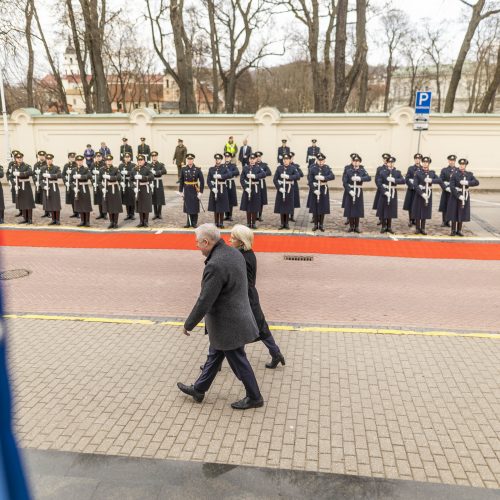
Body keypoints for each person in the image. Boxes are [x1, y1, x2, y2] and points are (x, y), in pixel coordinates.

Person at [177, 223, 264, 410]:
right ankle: (199, 389)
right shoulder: (233, 253)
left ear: (206, 242)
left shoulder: (215, 265)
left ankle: (255, 396)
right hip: (237, 316)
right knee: (215, 355)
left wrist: (188, 324)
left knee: (238, 361)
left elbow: (205, 300)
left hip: (228, 324)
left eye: (198, 242)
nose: (196, 246)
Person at [230, 225, 285, 369]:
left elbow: (247, 282)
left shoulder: (242, 257)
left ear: (241, 241)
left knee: (255, 327)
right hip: (248, 297)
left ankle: (276, 353)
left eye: (233, 238)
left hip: (245, 298)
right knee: (259, 327)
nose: (230, 240)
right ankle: (276, 353)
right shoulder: (246, 253)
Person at [447, 158, 479, 237]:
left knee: (461, 212)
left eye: (463, 164)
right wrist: (458, 195)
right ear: (459, 165)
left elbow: (477, 182)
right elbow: (452, 186)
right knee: (454, 212)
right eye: (461, 164)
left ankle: (459, 230)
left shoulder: (469, 174)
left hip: (465, 195)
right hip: (455, 195)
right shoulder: (454, 174)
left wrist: (468, 182)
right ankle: (453, 230)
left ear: (465, 165)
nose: (462, 166)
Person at [411, 156, 443, 235]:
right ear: (422, 163)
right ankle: (418, 228)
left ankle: (423, 228)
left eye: (427, 163)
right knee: (418, 211)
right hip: (420, 194)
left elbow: (440, 180)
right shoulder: (418, 173)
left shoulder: (432, 173)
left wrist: (432, 180)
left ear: (429, 164)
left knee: (425, 210)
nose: (425, 164)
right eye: (424, 162)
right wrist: (422, 193)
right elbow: (415, 185)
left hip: (428, 194)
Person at [375, 156, 405, 234]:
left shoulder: (397, 172)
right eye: (389, 162)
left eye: (392, 162)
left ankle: (389, 226)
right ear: (387, 163)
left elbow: (403, 181)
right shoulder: (383, 172)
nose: (391, 164)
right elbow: (379, 183)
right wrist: (384, 191)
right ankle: (383, 226)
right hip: (384, 192)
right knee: (384, 209)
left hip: (392, 192)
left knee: (390, 209)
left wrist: (395, 180)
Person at [343, 154, 371, 233]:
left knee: (357, 209)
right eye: (354, 161)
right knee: (351, 209)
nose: (355, 163)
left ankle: (357, 226)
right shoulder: (348, 171)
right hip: (351, 191)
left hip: (358, 191)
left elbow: (369, 178)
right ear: (352, 162)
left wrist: (360, 178)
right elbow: (344, 182)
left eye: (357, 161)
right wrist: (349, 190)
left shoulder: (362, 171)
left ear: (360, 162)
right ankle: (351, 226)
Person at [308, 153, 335, 232]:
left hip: (324, 189)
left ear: (324, 161)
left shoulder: (327, 168)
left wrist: (324, 177)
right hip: (315, 189)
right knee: (315, 207)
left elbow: (332, 176)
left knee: (322, 207)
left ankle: (321, 224)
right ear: (316, 160)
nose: (320, 162)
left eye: (322, 160)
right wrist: (314, 190)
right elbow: (310, 181)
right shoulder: (312, 168)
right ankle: (316, 224)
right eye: (319, 160)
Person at [274, 154, 300, 230]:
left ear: (289, 160)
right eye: (284, 159)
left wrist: (289, 177)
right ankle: (282, 223)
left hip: (289, 189)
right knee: (282, 206)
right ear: (283, 160)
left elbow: (298, 176)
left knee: (288, 206)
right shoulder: (279, 168)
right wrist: (279, 188)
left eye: (287, 159)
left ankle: (287, 223)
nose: (285, 160)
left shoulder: (293, 168)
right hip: (281, 189)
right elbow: (275, 179)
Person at [240, 153, 266, 229]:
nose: (252, 160)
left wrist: (255, 176)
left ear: (255, 159)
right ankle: (248, 223)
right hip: (248, 188)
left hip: (255, 189)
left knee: (254, 206)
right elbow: (242, 179)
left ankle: (253, 223)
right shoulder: (245, 168)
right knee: (248, 206)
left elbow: (263, 174)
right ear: (249, 159)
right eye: (250, 159)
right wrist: (245, 188)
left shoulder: (258, 167)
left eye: (253, 159)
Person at [178, 153, 204, 228]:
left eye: (191, 159)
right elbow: (182, 180)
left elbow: (202, 181)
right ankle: (188, 222)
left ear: (193, 160)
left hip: (194, 189)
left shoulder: (197, 169)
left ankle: (194, 222)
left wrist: (201, 192)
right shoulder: (183, 169)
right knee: (188, 205)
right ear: (187, 160)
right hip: (187, 189)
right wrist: (180, 191)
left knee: (195, 206)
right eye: (188, 159)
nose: (190, 161)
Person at [207, 153, 230, 228]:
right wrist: (212, 188)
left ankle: (221, 222)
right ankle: (216, 222)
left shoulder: (224, 168)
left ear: (221, 160)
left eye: (219, 159)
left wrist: (221, 176)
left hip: (222, 189)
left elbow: (229, 174)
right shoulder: (211, 169)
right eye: (217, 159)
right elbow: (208, 180)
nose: (218, 160)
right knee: (215, 206)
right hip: (215, 189)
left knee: (222, 206)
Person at [101, 154, 123, 229]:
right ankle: (111, 222)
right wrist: (102, 188)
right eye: (107, 160)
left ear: (112, 161)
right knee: (109, 206)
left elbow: (119, 177)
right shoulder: (102, 169)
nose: (109, 161)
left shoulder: (115, 169)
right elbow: (98, 181)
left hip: (115, 189)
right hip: (107, 189)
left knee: (115, 206)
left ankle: (116, 222)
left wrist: (110, 177)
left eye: (110, 160)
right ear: (106, 161)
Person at [12, 152, 35, 224]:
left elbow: (30, 172)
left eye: (20, 158)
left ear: (22, 158)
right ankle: (25, 218)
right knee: (22, 202)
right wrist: (14, 184)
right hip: (18, 186)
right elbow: (11, 177)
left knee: (28, 202)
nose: (19, 159)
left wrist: (20, 174)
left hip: (26, 186)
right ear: (15, 159)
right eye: (18, 158)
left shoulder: (27, 165)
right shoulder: (14, 167)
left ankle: (30, 219)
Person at [133, 154, 154, 227]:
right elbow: (130, 180)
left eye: (141, 160)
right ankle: (141, 221)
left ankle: (146, 221)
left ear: (144, 161)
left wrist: (142, 177)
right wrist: (133, 187)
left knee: (146, 206)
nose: (140, 161)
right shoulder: (134, 169)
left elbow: (151, 177)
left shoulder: (147, 169)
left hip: (145, 188)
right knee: (140, 206)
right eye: (139, 160)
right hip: (138, 189)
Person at [41, 153, 62, 225]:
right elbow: (40, 179)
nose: (49, 161)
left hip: (54, 187)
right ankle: (53, 219)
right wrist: (43, 186)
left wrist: (50, 175)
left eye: (50, 159)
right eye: (48, 159)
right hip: (47, 187)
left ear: (52, 160)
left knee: (56, 203)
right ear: (46, 160)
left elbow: (59, 175)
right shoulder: (43, 168)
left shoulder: (56, 168)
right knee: (50, 203)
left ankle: (58, 220)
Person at [402, 153, 422, 227]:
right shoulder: (410, 168)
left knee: (417, 205)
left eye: (419, 158)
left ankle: (416, 220)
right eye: (416, 158)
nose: (417, 160)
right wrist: (411, 186)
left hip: (419, 191)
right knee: (410, 205)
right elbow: (407, 179)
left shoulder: (423, 168)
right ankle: (411, 220)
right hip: (411, 189)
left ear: (420, 160)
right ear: (414, 159)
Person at [73, 154, 93, 227]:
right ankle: (82, 220)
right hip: (77, 188)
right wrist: (73, 187)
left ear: (82, 161)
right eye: (78, 161)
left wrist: (81, 176)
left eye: (81, 161)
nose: (79, 162)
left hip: (84, 188)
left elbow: (90, 176)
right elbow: (71, 181)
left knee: (86, 204)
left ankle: (87, 221)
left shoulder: (86, 169)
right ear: (76, 161)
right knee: (80, 204)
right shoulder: (74, 170)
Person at [438, 154, 457, 227]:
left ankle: (449, 221)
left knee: (452, 206)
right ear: (448, 161)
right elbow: (440, 180)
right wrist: (445, 187)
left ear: (455, 161)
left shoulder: (457, 170)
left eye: (453, 161)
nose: (451, 162)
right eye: (450, 160)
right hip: (446, 191)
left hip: (453, 192)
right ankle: (444, 221)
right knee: (445, 206)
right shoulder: (444, 170)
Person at [373, 153, 391, 225]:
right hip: (381, 189)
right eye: (384, 159)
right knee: (380, 205)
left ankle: (387, 218)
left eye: (387, 159)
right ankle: (381, 218)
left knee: (388, 205)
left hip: (389, 189)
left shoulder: (391, 168)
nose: (385, 160)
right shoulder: (380, 168)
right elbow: (376, 179)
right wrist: (380, 186)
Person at [150, 151, 167, 220]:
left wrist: (156, 172)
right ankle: (155, 213)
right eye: (153, 156)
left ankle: (159, 213)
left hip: (159, 182)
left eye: (155, 156)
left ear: (157, 157)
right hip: (152, 182)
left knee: (159, 197)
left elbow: (164, 171)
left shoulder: (160, 164)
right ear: (152, 157)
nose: (154, 157)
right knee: (154, 197)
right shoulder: (149, 165)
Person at [255, 151, 271, 222]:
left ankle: (260, 215)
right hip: (255, 183)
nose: (258, 158)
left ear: (261, 157)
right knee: (255, 199)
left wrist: (262, 174)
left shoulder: (264, 165)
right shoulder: (253, 165)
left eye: (259, 156)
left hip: (261, 183)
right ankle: (255, 215)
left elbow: (269, 172)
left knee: (261, 199)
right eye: (257, 156)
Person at [223, 152, 239, 221]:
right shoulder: (222, 165)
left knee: (230, 199)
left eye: (228, 157)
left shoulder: (233, 166)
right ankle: (226, 215)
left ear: (230, 158)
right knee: (224, 199)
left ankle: (230, 215)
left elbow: (237, 172)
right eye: (226, 157)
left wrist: (230, 173)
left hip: (230, 183)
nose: (227, 158)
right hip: (223, 183)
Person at [120, 152, 136, 220]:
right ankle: (128, 214)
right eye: (126, 157)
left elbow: (135, 173)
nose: (127, 158)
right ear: (124, 158)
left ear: (130, 157)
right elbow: (118, 175)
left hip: (131, 182)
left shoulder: (133, 165)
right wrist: (121, 182)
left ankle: (132, 214)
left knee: (131, 198)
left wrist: (128, 173)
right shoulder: (121, 165)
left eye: (128, 157)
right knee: (126, 198)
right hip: (124, 183)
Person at [91, 152, 107, 220]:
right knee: (99, 200)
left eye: (99, 156)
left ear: (101, 157)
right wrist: (93, 182)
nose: (98, 157)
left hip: (102, 184)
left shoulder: (104, 164)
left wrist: (99, 173)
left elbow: (106, 173)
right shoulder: (93, 164)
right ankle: (101, 214)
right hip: (96, 185)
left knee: (104, 199)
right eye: (97, 156)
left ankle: (105, 214)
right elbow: (90, 174)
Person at [62, 152, 78, 218]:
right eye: (71, 157)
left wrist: (72, 173)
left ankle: (78, 212)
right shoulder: (66, 165)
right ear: (68, 158)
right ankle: (74, 212)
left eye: (73, 157)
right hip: (69, 184)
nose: (72, 158)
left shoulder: (77, 164)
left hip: (75, 184)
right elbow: (62, 174)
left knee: (77, 199)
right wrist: (65, 182)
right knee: (72, 199)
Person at [289, 152, 303, 222]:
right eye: (289, 158)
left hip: (294, 185)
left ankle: (291, 216)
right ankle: (286, 215)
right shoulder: (283, 166)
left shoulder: (296, 166)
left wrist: (295, 173)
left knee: (293, 200)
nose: (290, 159)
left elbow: (301, 174)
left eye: (291, 158)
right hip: (285, 185)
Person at [33, 150, 48, 216]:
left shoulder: (47, 164)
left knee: (46, 198)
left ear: (45, 156)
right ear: (38, 156)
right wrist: (35, 181)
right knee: (42, 198)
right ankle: (46, 212)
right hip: (38, 184)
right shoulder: (36, 164)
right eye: (40, 156)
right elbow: (33, 174)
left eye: (43, 156)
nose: (41, 157)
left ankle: (49, 212)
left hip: (45, 183)